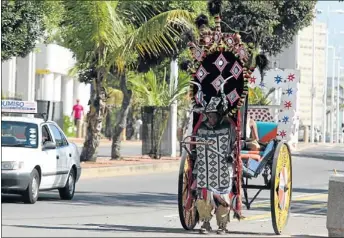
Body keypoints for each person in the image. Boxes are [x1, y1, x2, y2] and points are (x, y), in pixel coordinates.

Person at [193, 107, 240, 235]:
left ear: (219, 116)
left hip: (224, 166)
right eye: (209, 116)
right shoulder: (201, 127)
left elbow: (234, 144)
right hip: (205, 167)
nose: (211, 119)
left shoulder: (228, 126)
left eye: (214, 116)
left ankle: (222, 225)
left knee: (223, 196)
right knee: (204, 195)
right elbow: (196, 146)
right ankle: (205, 222)